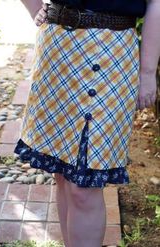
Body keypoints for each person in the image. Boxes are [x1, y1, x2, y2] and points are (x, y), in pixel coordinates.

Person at [14, 0, 160, 246]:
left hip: (112, 53)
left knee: (83, 188)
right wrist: (36, 9)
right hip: (58, 48)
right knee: (63, 173)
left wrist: (147, 72)